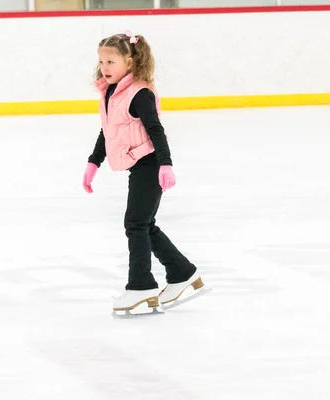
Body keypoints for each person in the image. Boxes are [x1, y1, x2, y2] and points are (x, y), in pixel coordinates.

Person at [82, 31, 204, 313]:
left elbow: (155, 129)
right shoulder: (111, 92)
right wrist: (93, 163)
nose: (105, 68)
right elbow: (108, 131)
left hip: (150, 164)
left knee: (135, 224)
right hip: (138, 164)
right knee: (143, 224)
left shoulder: (139, 93)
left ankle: (141, 286)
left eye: (111, 62)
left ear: (130, 61)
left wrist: (166, 163)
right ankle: (182, 273)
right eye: (102, 62)